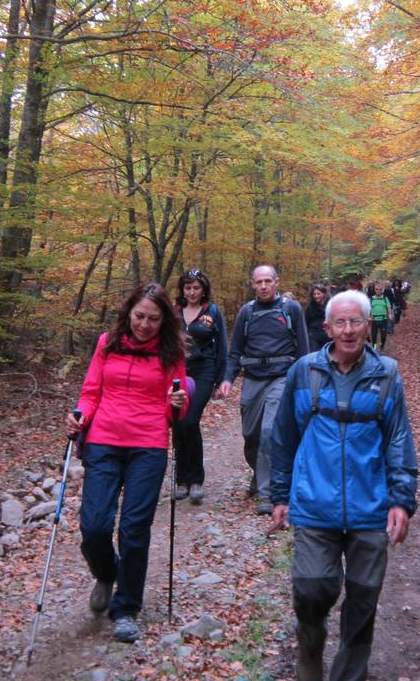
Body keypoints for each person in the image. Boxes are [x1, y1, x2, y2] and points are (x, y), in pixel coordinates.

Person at [268, 289, 418, 681]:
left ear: (368, 326)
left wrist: (402, 499)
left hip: (372, 509)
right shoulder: (305, 372)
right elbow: (283, 439)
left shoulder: (387, 374)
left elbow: (399, 441)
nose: (348, 330)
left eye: (356, 322)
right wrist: (280, 496)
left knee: (363, 598)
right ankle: (311, 647)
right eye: (341, 323)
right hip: (315, 505)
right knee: (312, 589)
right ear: (328, 327)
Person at [65, 283, 188, 643]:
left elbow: (174, 409)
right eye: (139, 316)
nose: (144, 325)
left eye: (153, 318)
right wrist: (79, 416)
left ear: (164, 319)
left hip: (148, 445)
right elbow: (91, 392)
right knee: (95, 526)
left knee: (134, 528)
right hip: (103, 440)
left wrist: (179, 403)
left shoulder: (171, 351)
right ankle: (107, 572)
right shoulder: (108, 342)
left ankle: (126, 607)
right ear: (128, 313)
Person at [218, 264, 309, 515]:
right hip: (253, 379)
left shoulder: (291, 309)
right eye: (259, 282)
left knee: (270, 432)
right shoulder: (246, 312)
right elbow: (235, 351)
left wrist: (306, 380)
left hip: (281, 378)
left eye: (268, 281)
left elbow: (303, 348)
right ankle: (259, 473)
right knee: (251, 435)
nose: (264, 286)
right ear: (253, 284)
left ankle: (268, 495)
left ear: (277, 282)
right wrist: (227, 379)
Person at [174, 269, 227, 504]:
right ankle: (181, 480)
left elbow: (222, 346)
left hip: (204, 370)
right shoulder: (174, 311)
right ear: (182, 289)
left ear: (203, 289)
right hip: (177, 371)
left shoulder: (212, 312)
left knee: (190, 420)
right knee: (177, 422)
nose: (192, 292)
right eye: (188, 288)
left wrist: (221, 378)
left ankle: (196, 479)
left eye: (196, 287)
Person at [305, 284, 330, 351]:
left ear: (323, 293)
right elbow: (306, 322)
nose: (316, 296)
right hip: (314, 337)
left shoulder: (330, 306)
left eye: (318, 294)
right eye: (314, 294)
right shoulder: (310, 308)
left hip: (328, 337)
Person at [368, 282, 391, 350]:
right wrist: (369, 316)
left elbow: (389, 307)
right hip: (374, 319)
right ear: (374, 290)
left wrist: (390, 314)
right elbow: (368, 308)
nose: (378, 291)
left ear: (382, 290)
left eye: (380, 289)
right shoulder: (371, 299)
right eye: (377, 289)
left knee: (383, 334)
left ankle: (382, 345)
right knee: (374, 335)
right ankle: (374, 347)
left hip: (383, 319)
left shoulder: (385, 298)